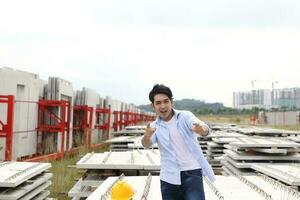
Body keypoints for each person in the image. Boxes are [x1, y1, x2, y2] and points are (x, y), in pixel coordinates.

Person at [142, 84, 215, 200]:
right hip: (169, 177)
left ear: (172, 102)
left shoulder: (185, 116)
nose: (163, 106)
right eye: (158, 103)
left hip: (192, 173)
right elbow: (146, 144)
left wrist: (202, 129)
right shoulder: (154, 126)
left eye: (166, 101)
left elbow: (203, 127)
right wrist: (147, 135)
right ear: (153, 106)